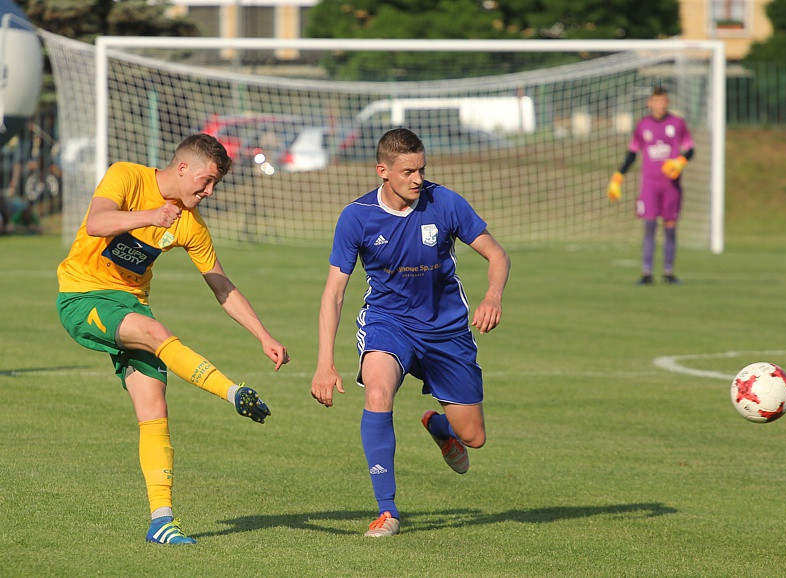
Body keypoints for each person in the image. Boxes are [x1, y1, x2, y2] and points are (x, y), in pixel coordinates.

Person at [56, 133, 290, 545]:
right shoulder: (126, 175)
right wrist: (149, 216)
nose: (209, 190)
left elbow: (222, 287)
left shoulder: (191, 225)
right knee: (156, 332)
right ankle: (233, 393)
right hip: (83, 296)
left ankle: (161, 520)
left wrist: (264, 336)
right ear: (182, 168)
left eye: (215, 184)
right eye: (206, 180)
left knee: (154, 405)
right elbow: (96, 223)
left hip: (130, 304)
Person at [311, 128, 510, 537]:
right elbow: (334, 293)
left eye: (421, 169)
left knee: (473, 437)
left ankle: (441, 428)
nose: (417, 178)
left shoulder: (446, 202)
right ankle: (387, 511)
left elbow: (497, 254)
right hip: (389, 322)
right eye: (407, 171)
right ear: (383, 171)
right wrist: (324, 363)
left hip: (447, 330)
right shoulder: (357, 217)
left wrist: (492, 296)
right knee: (378, 392)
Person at [607, 86, 695, 285]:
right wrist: (618, 175)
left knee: (670, 227)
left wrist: (680, 161)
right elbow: (632, 153)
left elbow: (690, 149)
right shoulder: (643, 125)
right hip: (649, 185)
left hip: (671, 185)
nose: (659, 105)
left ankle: (668, 272)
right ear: (650, 103)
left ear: (667, 102)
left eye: (663, 101)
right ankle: (647, 273)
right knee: (649, 226)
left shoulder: (677, 124)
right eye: (656, 101)